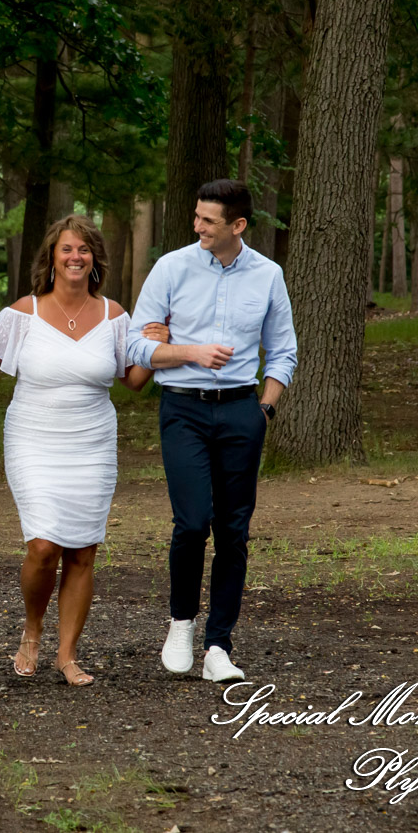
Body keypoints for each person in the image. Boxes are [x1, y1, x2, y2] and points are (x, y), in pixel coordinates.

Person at [0, 215, 163, 687]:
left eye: (84, 250)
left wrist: (161, 348)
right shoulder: (23, 312)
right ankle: (32, 630)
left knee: (82, 551)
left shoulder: (115, 316)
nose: (75, 257)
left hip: (92, 441)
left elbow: (133, 382)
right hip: (33, 436)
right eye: (66, 249)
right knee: (43, 547)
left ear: (95, 259)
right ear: (52, 258)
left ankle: (67, 655)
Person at [125, 180, 297, 683]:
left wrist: (264, 409)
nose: (196, 226)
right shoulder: (172, 267)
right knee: (193, 521)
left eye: (208, 221)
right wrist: (189, 353)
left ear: (237, 226)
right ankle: (181, 623)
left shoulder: (268, 275)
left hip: (243, 411)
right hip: (183, 409)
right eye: (196, 216)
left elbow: (283, 351)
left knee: (234, 531)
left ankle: (219, 645)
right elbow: (136, 345)